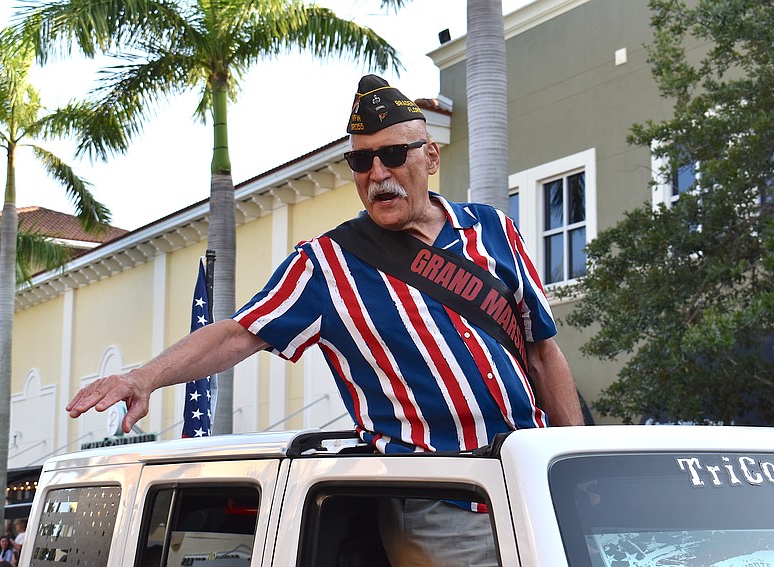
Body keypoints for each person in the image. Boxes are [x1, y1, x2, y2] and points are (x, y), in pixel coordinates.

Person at [67, 74, 584, 566]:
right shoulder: (327, 264)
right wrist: (143, 377)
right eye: (362, 160)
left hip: (531, 485)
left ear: (430, 157)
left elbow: (541, 352)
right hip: (440, 503)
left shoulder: (492, 229)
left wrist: (577, 461)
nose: (377, 174)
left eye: (393, 155)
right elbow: (237, 332)